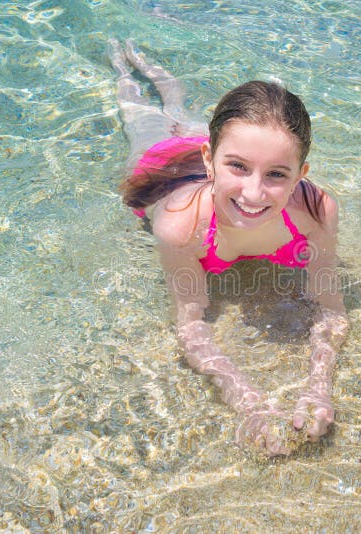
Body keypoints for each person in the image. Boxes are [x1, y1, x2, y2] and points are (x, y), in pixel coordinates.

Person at [111, 40, 348, 456]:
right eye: (238, 167)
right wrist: (249, 405)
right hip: (163, 170)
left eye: (277, 174)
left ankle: (157, 76)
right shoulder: (180, 227)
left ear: (301, 174)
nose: (254, 193)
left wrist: (319, 390)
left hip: (211, 159)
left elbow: (330, 307)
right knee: (140, 114)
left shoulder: (315, 210)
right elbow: (190, 322)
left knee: (178, 112)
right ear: (210, 159)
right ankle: (123, 64)